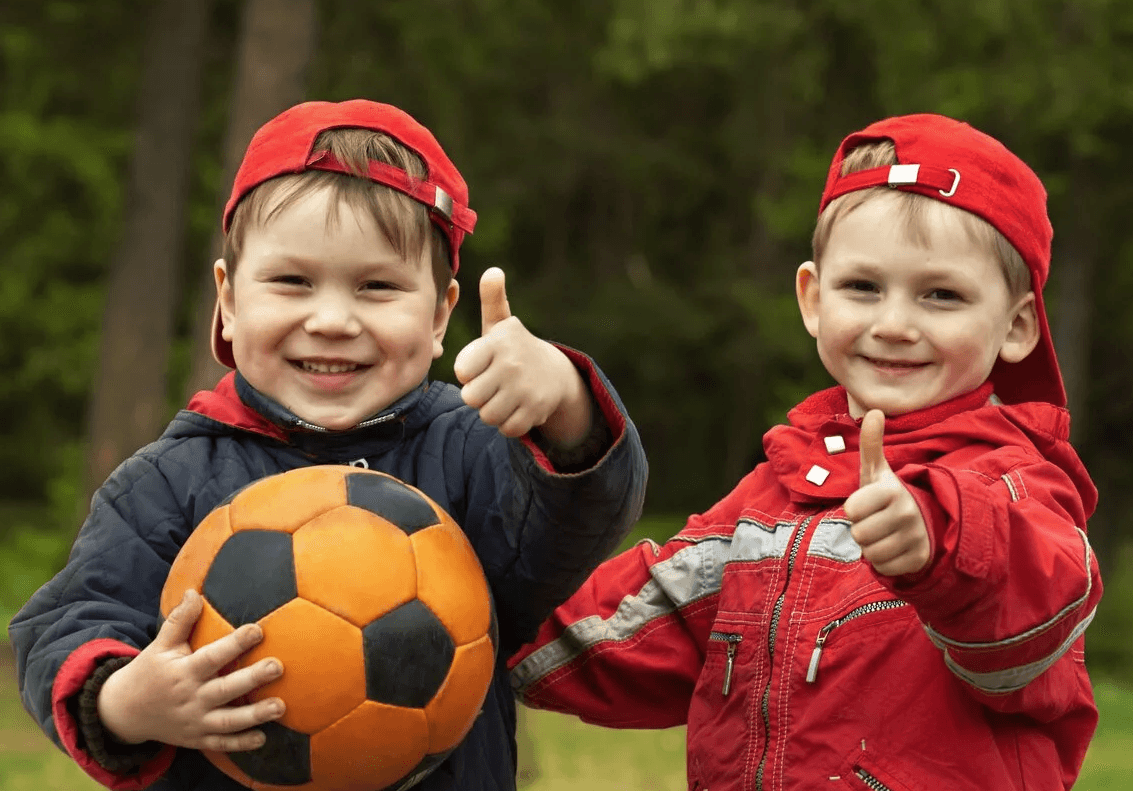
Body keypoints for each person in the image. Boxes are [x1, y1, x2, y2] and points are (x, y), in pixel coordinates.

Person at [9, 99, 647, 791]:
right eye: (292, 281)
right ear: (227, 300)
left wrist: (564, 401)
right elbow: (67, 622)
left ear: (439, 315)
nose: (333, 319)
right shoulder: (169, 482)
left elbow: (572, 523)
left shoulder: (473, 452)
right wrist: (126, 701)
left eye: (376, 287)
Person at [510, 114, 1102, 790]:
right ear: (812, 299)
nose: (894, 323)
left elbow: (1031, 628)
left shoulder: (1017, 484)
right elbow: (620, 632)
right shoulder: (769, 499)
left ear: (1017, 324)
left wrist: (938, 542)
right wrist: (476, 615)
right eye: (862, 288)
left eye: (941, 295)